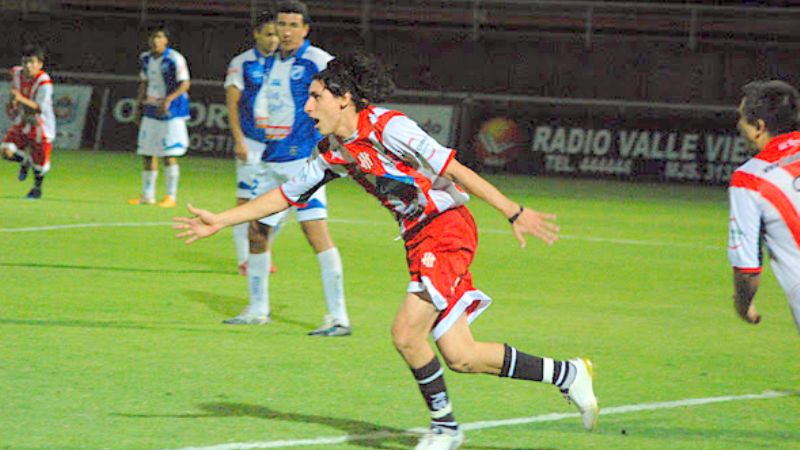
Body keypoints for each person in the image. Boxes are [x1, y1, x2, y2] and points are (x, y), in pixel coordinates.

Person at [174, 52, 599, 450]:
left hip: (446, 230)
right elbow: (286, 194)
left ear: (343, 99)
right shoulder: (332, 152)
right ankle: (567, 373)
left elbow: (453, 169)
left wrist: (513, 211)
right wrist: (222, 220)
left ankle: (445, 428)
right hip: (418, 240)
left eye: (316, 97)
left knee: (406, 334)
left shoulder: (389, 127)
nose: (307, 107)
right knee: (461, 355)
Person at [219, 0, 352, 337]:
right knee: (256, 232)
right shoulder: (272, 62)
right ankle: (257, 310)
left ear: (305, 29)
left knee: (315, 234)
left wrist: (336, 141)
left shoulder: (316, 60)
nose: (287, 31)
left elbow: (347, 96)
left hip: (303, 163)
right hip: (271, 159)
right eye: (282, 24)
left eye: (294, 25)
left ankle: (338, 317)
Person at [728, 79, 800, 334]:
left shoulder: (750, 179)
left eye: (742, 118)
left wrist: (742, 304)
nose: (739, 124)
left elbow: (747, 270)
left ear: (759, 127)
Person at [225, 12, 281, 276]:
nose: (274, 39)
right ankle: (244, 259)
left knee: (278, 203)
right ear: (256, 34)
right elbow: (232, 104)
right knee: (246, 201)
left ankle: (262, 253)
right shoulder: (242, 63)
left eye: (276, 34)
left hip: (278, 145)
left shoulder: (285, 62)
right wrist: (238, 139)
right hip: (251, 140)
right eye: (268, 34)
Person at [128, 25, 191, 208]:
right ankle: (148, 196)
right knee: (147, 152)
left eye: (159, 37)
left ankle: (171, 196)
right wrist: (138, 106)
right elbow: (144, 82)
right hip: (151, 108)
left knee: (168, 154)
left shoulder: (174, 58)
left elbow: (185, 83)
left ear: (166, 40)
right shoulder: (145, 58)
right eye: (152, 37)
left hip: (173, 111)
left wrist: (168, 99)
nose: (155, 41)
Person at [1, 44, 55, 199]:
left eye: (32, 62)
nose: (28, 66)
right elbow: (14, 89)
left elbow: (39, 108)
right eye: (25, 62)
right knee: (5, 151)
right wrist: (12, 103)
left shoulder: (44, 82)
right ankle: (25, 160)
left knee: (40, 165)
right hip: (23, 121)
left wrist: (19, 99)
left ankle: (37, 189)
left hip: (41, 125)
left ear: (40, 64)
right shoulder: (17, 72)